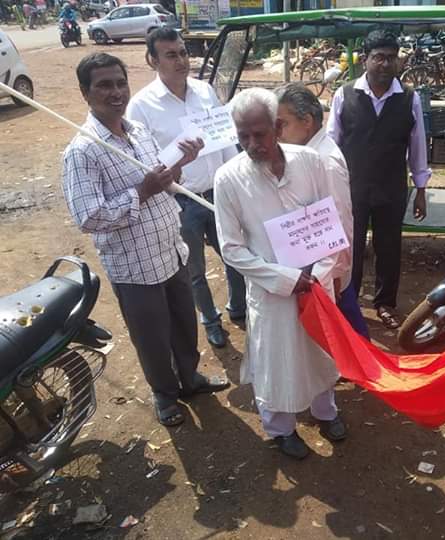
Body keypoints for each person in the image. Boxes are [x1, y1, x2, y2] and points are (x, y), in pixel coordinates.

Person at [62, 53, 229, 427]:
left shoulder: (137, 130)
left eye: (120, 83)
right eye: (104, 85)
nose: (116, 92)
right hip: (135, 266)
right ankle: (165, 395)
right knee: (152, 337)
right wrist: (141, 191)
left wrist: (178, 167)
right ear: (85, 93)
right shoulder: (83, 151)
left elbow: (164, 182)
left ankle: (190, 378)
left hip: (170, 251)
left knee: (184, 323)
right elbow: (88, 217)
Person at [214, 88, 348, 460]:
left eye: (259, 134)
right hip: (270, 289)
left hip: (316, 282)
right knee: (274, 360)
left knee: (321, 350)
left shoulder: (309, 161)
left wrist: (321, 273)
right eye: (243, 136)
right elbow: (232, 249)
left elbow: (330, 220)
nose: (251, 144)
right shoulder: (228, 178)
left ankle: (326, 412)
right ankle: (280, 429)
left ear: (277, 127)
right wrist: (285, 279)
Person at [126, 28, 246, 349]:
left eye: (183, 52)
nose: (181, 60)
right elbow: (143, 161)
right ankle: (211, 321)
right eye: (171, 55)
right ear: (152, 60)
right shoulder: (141, 106)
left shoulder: (204, 91)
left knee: (235, 255)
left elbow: (224, 139)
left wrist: (236, 181)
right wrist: (176, 163)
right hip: (180, 202)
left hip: (218, 193)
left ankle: (239, 308)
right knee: (194, 270)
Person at [327, 30, 431, 330]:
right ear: (365, 60)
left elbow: (418, 146)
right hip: (352, 188)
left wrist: (421, 189)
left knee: (389, 247)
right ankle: (349, 303)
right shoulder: (345, 95)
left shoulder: (408, 98)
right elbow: (330, 146)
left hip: (391, 187)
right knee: (351, 247)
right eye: (379, 57)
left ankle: (385, 303)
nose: (385, 64)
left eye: (391, 58)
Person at [274, 83, 370, 339]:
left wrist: (334, 274)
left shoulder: (324, 162)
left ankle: (367, 363)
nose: (277, 133)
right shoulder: (308, 154)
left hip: (328, 269)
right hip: (320, 262)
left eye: (282, 124)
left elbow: (340, 221)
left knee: (347, 330)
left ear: (306, 121)